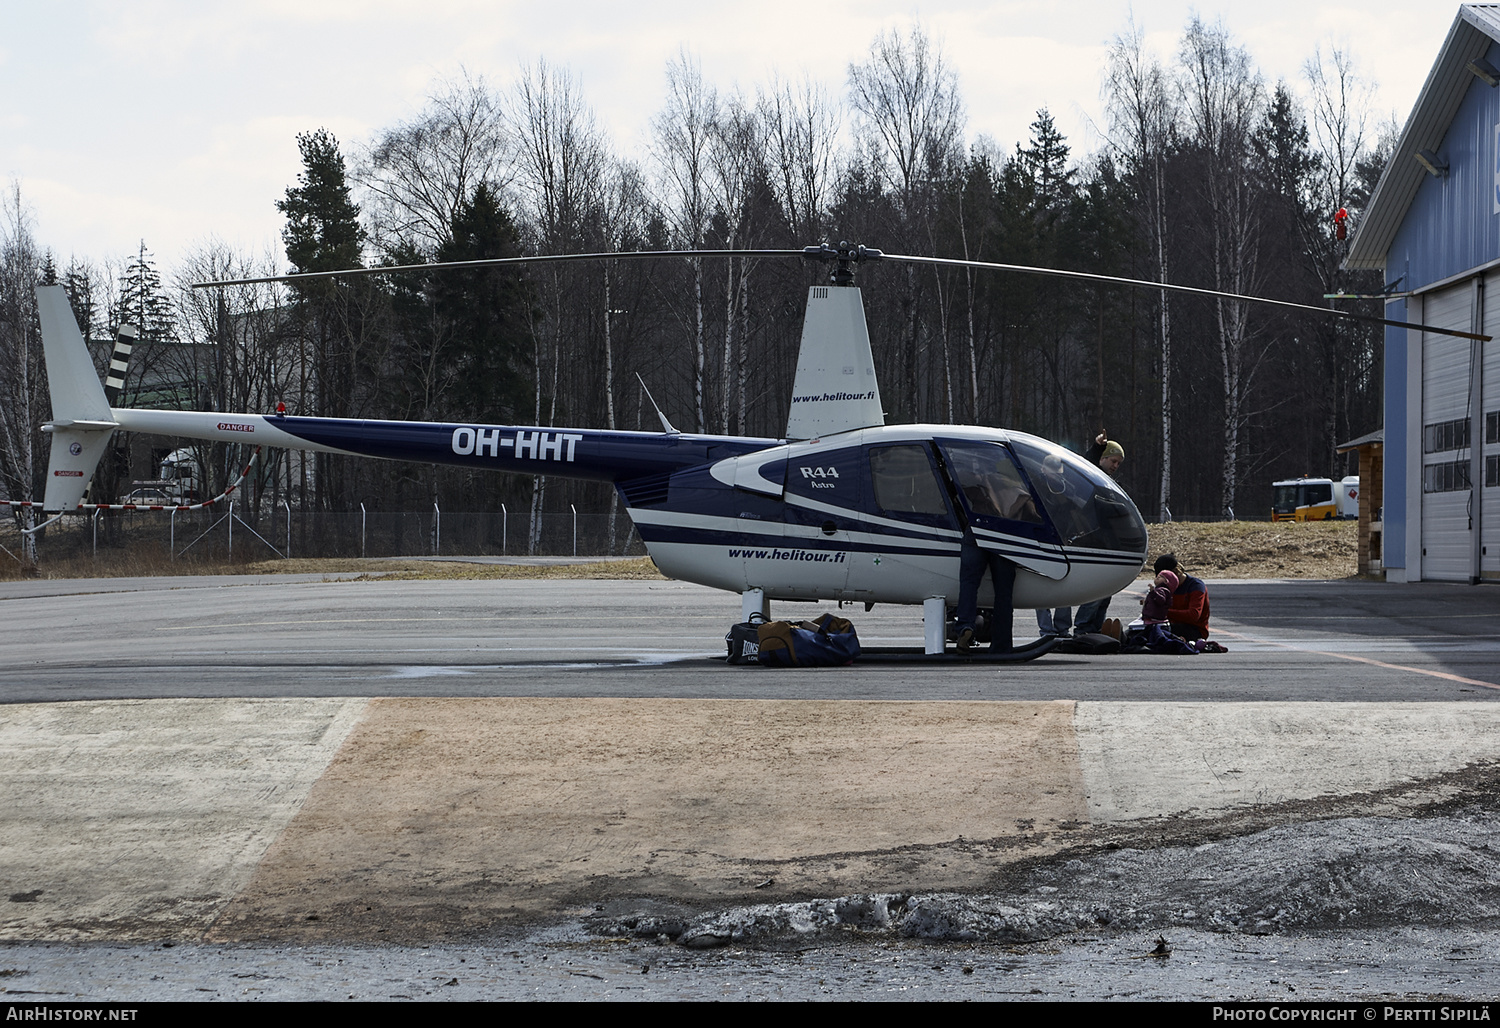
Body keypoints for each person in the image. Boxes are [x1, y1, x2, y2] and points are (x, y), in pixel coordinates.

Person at [1036, 431, 1125, 636]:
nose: (1115, 466)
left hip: (1070, 539)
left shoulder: (1097, 484)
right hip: (1049, 538)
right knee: (1046, 587)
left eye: (1118, 463)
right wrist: (1096, 447)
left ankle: (1066, 628)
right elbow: (1085, 467)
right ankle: (1054, 630)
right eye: (1113, 461)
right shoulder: (1043, 484)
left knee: (1067, 585)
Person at [1152, 553, 1211, 641]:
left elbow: (1193, 615)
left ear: (1176, 573)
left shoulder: (1196, 586)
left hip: (1194, 629)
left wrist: (1164, 611)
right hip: (1171, 624)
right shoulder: (1165, 587)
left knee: (1157, 632)